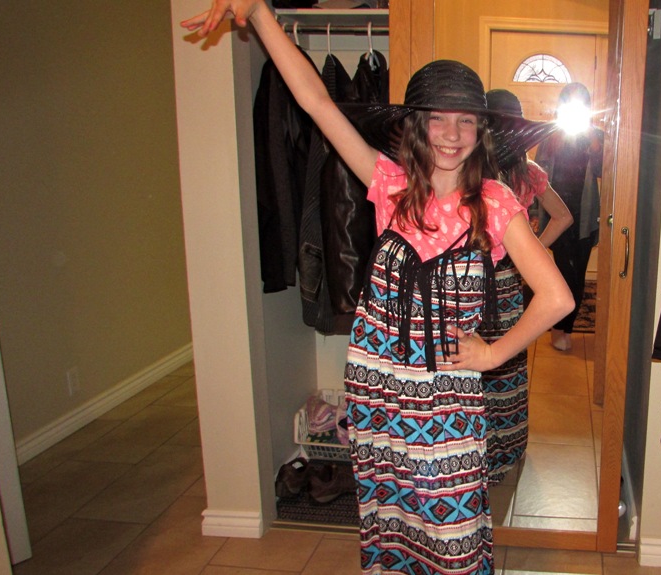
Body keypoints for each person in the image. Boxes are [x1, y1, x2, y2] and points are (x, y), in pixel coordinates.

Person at [182, 3, 574, 574]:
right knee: (392, 526)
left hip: (445, 404)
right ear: (415, 127)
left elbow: (557, 297)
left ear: (482, 131)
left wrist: (492, 353)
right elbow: (316, 102)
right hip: (378, 395)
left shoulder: (493, 201)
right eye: (437, 119)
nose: (452, 134)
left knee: (453, 538)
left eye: (466, 120)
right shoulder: (389, 186)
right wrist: (261, 15)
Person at [479, 89, 572, 485]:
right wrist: (531, 251)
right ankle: (509, 447)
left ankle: (483, 453)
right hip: (510, 280)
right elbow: (563, 216)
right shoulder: (528, 171)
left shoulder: (472, 173)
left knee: (481, 363)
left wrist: (529, 251)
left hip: (475, 280)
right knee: (509, 359)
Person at [534, 82, 604, 352]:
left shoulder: (596, 136)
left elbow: (604, 171)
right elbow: (536, 177)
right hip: (557, 217)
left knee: (578, 276)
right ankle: (558, 328)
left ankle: (567, 329)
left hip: (584, 217)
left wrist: (594, 142)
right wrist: (534, 215)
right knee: (563, 275)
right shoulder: (550, 136)